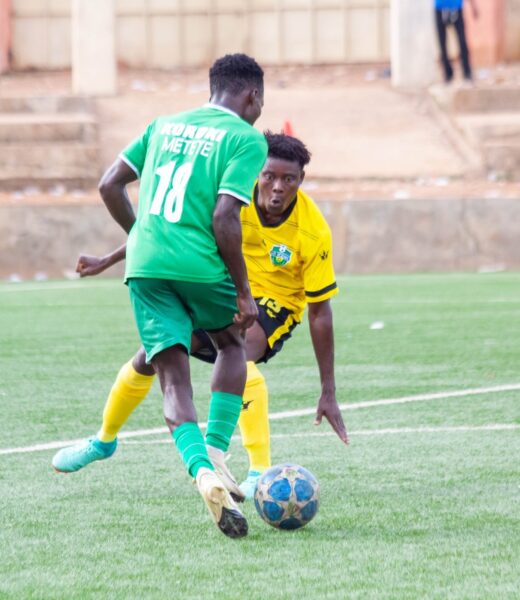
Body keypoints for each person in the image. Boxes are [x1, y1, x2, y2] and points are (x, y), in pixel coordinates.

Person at [53, 132, 348, 500]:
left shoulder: (313, 231)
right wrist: (107, 260)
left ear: (301, 180)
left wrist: (328, 391)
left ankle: (258, 470)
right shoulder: (231, 201)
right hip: (224, 286)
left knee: (241, 353)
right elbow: (171, 233)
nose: (277, 187)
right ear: (257, 172)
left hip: (275, 304)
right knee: (150, 356)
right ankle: (103, 440)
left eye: (288, 179)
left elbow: (320, 313)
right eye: (269, 176)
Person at [54, 54, 267, 539]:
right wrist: (243, 291)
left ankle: (201, 471)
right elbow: (224, 217)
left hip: (146, 266)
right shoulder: (245, 138)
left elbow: (109, 184)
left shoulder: (163, 125)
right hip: (201, 264)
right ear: (252, 96)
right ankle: (215, 451)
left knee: (171, 376)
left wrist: (141, 237)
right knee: (231, 344)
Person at [434, 0, 479, 83]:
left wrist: (473, 6)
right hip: (440, 7)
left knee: (462, 41)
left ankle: (467, 72)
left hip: (456, 7)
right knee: (442, 43)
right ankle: (448, 74)